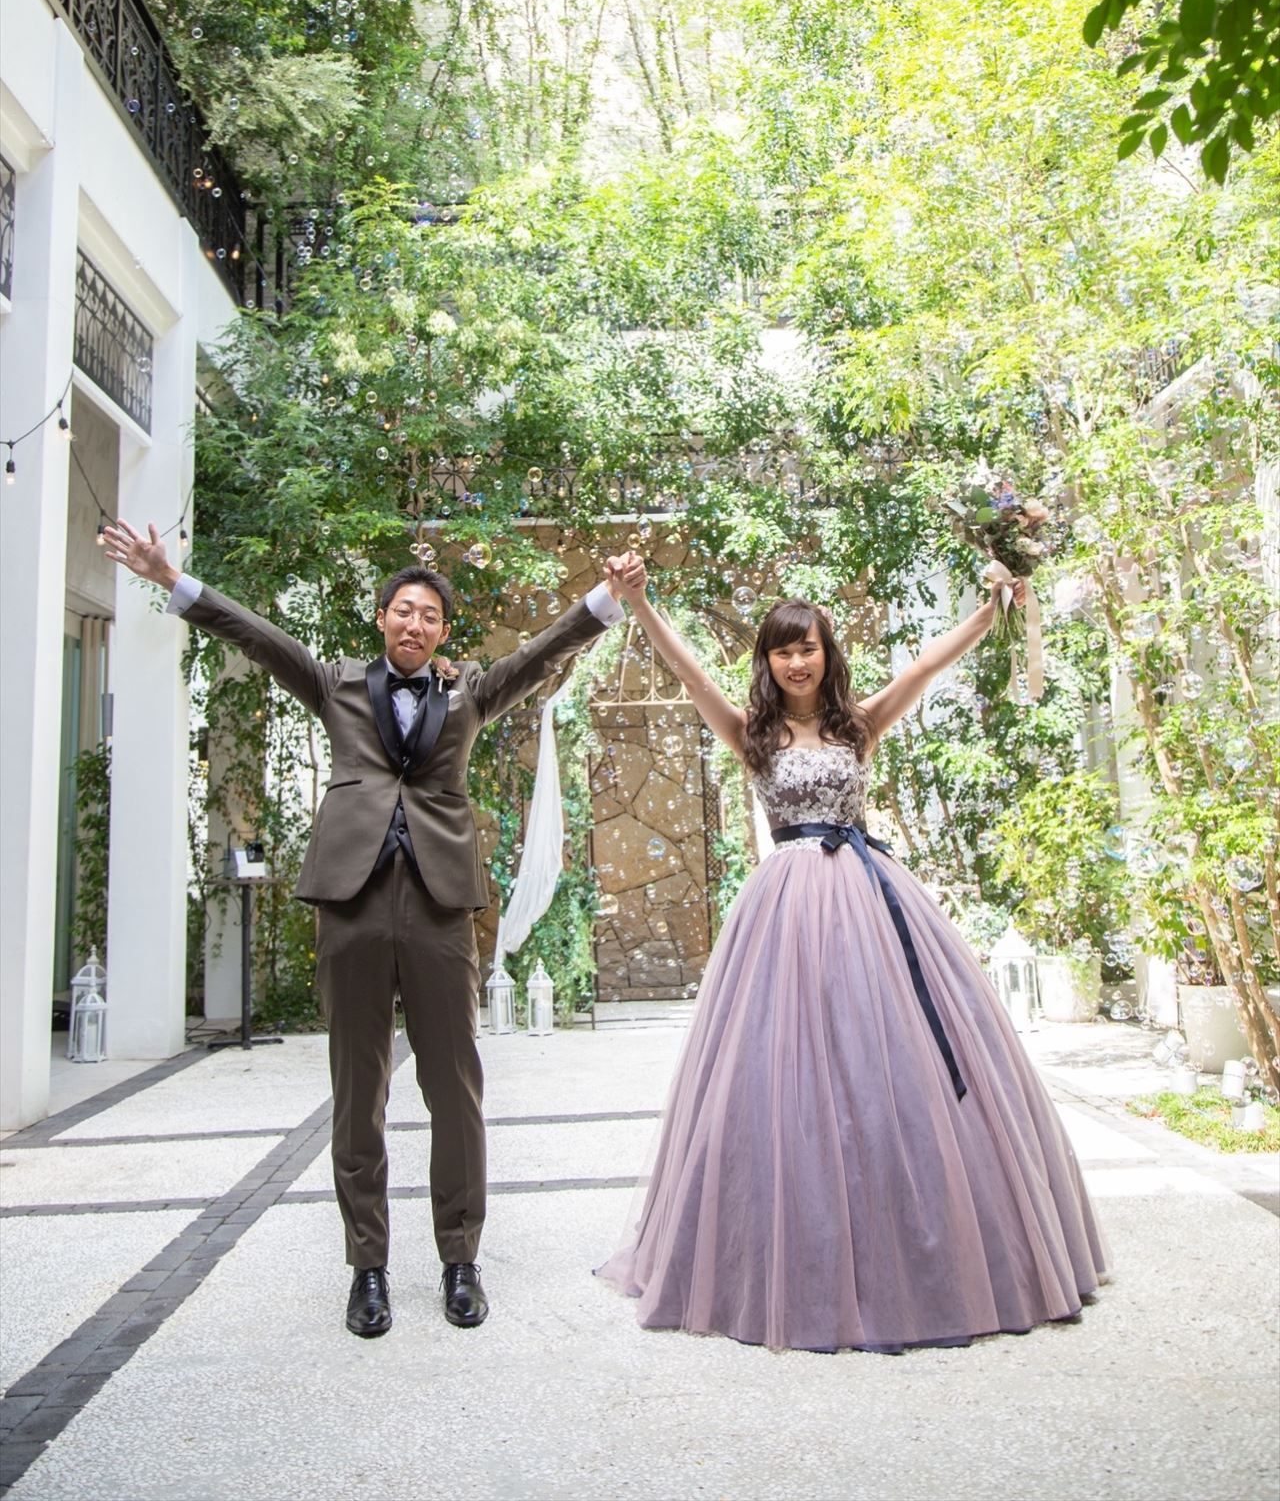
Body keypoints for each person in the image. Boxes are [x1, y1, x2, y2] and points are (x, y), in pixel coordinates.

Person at [103, 519, 625, 1339]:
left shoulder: (469, 691)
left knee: (454, 1085)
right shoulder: (336, 683)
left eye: (430, 616)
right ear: (382, 619)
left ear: (443, 632)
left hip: (439, 905)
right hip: (350, 901)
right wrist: (171, 579)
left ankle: (460, 1260)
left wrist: (606, 599)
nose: (415, 624)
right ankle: (368, 1268)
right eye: (403, 611)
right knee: (358, 1088)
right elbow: (259, 636)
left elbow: (540, 653)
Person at [597, 555, 1110, 1353]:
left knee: (888, 1062)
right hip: (785, 913)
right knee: (783, 1072)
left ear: (827, 653)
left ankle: (918, 1238)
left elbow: (925, 666)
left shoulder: (856, 726)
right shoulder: (752, 733)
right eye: (782, 650)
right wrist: (637, 603)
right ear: (768, 661)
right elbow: (689, 671)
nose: (796, 662)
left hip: (870, 902)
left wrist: (990, 610)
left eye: (808, 647)